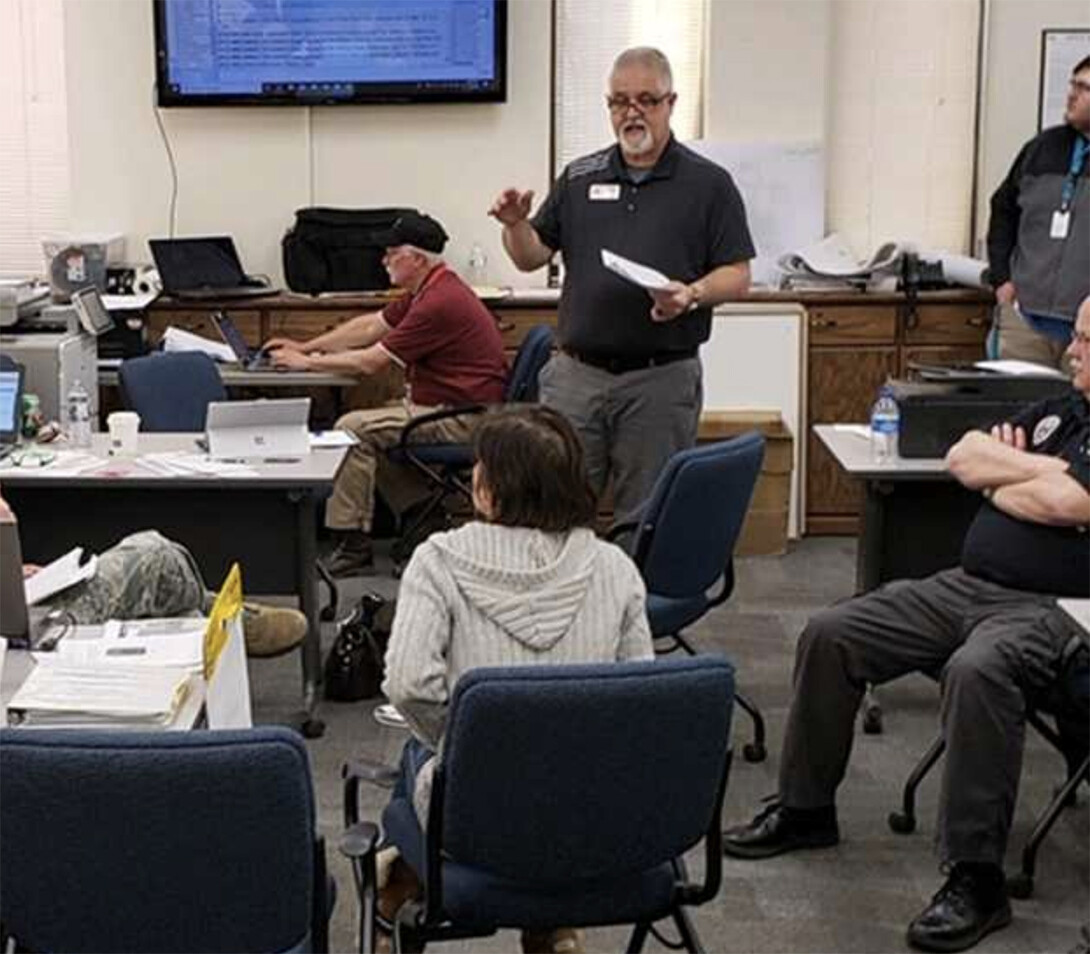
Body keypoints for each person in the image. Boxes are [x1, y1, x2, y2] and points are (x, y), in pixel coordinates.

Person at [722, 296, 1090, 952]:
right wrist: (1040, 477)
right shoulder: (1064, 411)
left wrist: (1024, 483)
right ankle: (806, 810)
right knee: (833, 633)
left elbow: (1067, 499)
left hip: (1055, 610)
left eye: (1088, 342)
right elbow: (967, 457)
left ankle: (976, 879)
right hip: (966, 586)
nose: (1072, 352)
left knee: (979, 670)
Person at [379, 405, 654, 954]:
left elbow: (408, 684)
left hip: (472, 820)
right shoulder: (615, 567)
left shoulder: (438, 560)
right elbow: (639, 701)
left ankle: (397, 899)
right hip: (593, 816)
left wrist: (464, 740)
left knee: (412, 757)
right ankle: (552, 927)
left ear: (488, 488)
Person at [489, 46, 754, 528]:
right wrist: (514, 225)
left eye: (646, 100)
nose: (631, 112)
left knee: (646, 517)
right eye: (619, 101)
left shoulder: (708, 184)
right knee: (553, 509)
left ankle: (632, 605)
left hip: (659, 380)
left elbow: (738, 274)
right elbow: (531, 256)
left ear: (671, 102)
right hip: (576, 377)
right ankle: (564, 604)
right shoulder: (579, 176)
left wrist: (691, 294)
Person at [266, 212, 508, 576]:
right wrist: (308, 346)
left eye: (392, 253)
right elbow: (370, 326)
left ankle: (352, 543)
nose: (384, 260)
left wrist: (305, 364)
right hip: (449, 407)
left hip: (463, 417)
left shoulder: (438, 302)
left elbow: (370, 362)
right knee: (375, 426)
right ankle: (421, 520)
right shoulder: (430, 288)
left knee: (351, 429)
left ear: (418, 259)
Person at [0, 495, 305, 657]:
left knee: (177, 610)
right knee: (154, 556)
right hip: (18, 629)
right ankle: (228, 621)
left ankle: (218, 617)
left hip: (16, 605)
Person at [986, 55, 1089, 367]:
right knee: (1018, 408)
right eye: (1072, 84)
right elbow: (1002, 210)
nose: (1071, 94)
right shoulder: (1041, 148)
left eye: (1084, 88)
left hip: (1084, 329)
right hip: (1025, 320)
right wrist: (1002, 279)